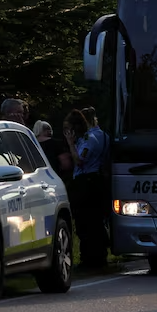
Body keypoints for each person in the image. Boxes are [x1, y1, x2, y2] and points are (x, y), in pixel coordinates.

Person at [64, 109, 109, 268]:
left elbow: (80, 160)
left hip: (86, 181)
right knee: (96, 220)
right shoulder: (104, 136)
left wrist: (70, 144)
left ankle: (90, 258)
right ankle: (99, 256)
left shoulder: (89, 138)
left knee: (85, 221)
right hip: (97, 179)